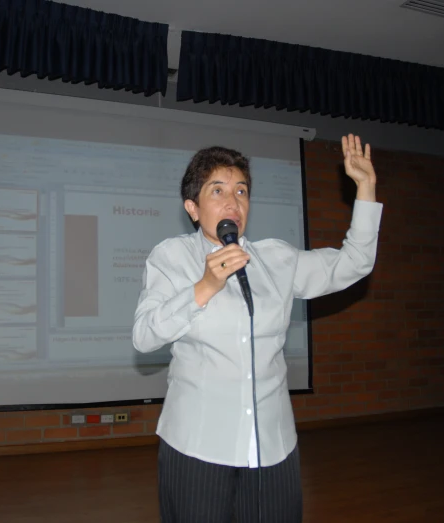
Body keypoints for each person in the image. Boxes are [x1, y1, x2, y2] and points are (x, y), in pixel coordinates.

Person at [132, 134, 383, 523]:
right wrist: (203, 288)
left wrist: (365, 188)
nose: (233, 201)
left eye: (241, 190)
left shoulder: (276, 258)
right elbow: (145, 336)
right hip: (198, 446)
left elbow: (354, 263)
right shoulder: (172, 257)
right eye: (217, 190)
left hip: (272, 446)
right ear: (192, 208)